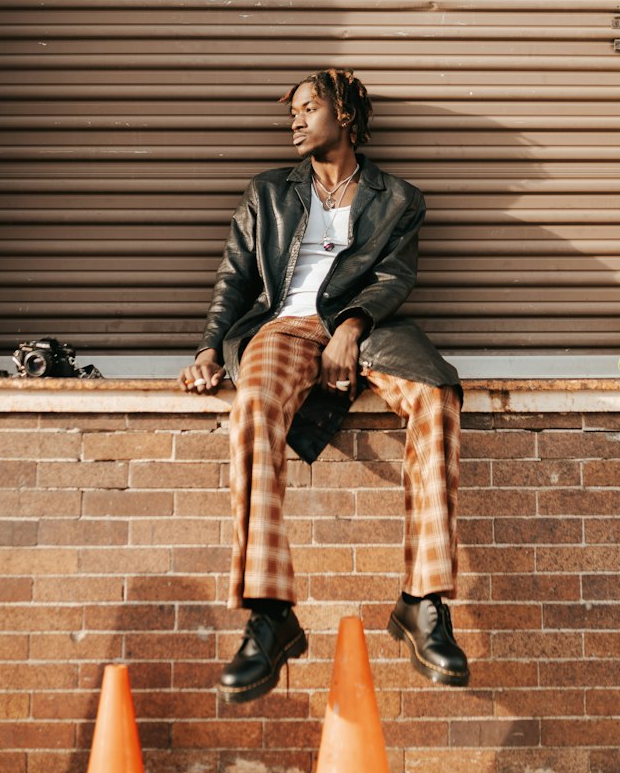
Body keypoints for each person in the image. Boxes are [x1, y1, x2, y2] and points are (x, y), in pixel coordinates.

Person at [178, 68, 468, 703]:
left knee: (437, 400)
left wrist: (352, 327)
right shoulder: (268, 193)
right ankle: (269, 612)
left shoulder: (398, 198)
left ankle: (423, 601)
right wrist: (208, 347)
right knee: (253, 409)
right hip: (281, 328)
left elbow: (393, 278)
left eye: (310, 108)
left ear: (346, 114)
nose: (296, 119)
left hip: (366, 331)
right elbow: (234, 278)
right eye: (294, 111)